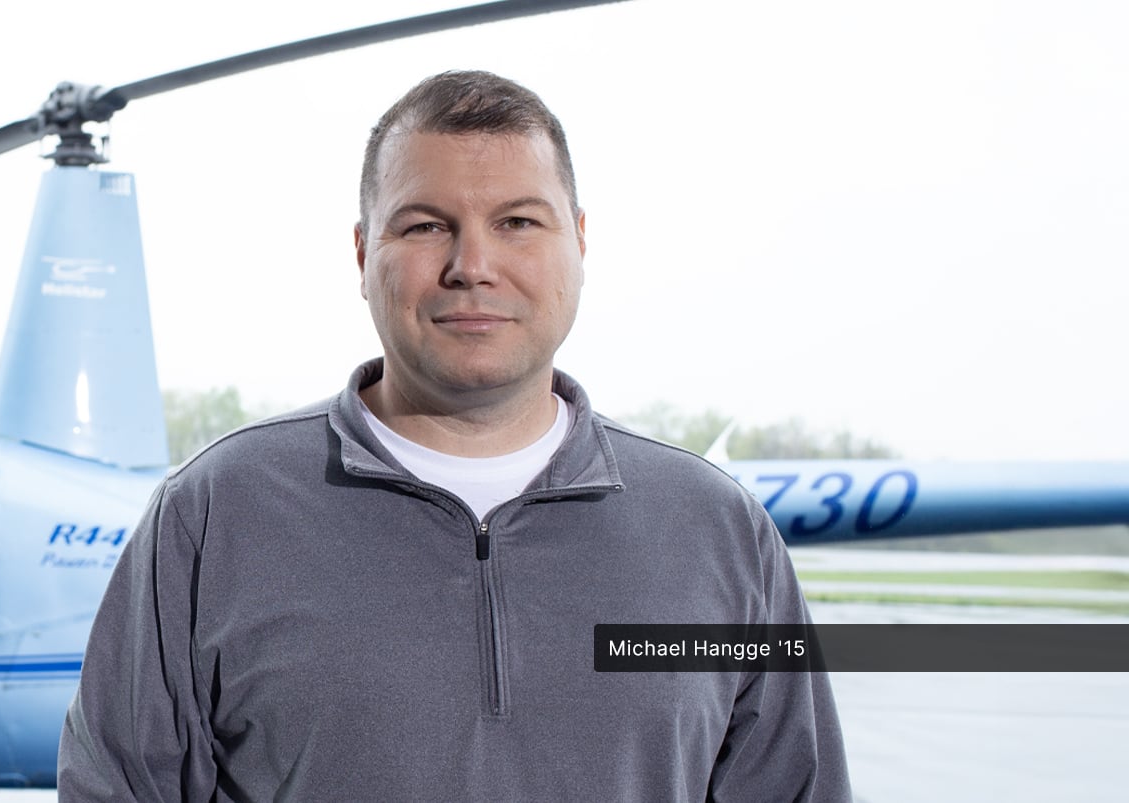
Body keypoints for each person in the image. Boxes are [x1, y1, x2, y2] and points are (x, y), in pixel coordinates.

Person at [58, 71, 848, 802]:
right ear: (365, 253)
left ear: (579, 242)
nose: (473, 264)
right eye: (428, 225)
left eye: (517, 222)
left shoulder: (719, 530)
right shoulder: (212, 514)